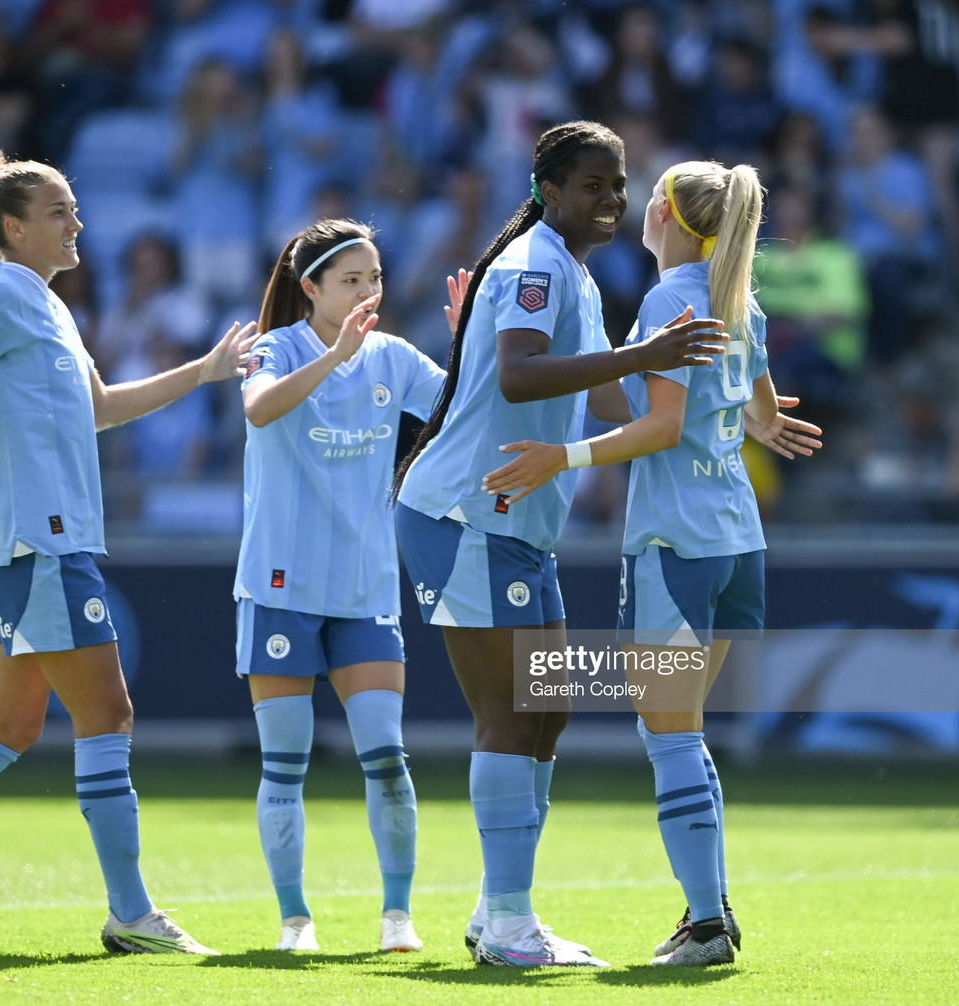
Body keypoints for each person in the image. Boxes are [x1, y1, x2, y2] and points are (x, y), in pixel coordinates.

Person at [0, 149, 258, 956]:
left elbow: (101, 408)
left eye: (74, 207)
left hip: (33, 544)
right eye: (61, 211)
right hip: (41, 542)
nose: (78, 222)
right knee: (107, 714)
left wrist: (205, 371)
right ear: (14, 228)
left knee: (6, 727)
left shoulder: (44, 302)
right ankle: (133, 914)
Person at [390, 119, 730, 968]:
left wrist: (691, 387)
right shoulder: (539, 262)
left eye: (620, 185)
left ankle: (496, 912)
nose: (612, 199)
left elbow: (611, 403)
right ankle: (507, 924)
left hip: (514, 525)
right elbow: (518, 373)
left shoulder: (565, 268)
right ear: (548, 189)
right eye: (593, 185)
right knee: (509, 713)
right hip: (468, 515)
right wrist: (643, 352)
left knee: (549, 708)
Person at [482, 159, 824, 966]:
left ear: (667, 211)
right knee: (683, 733)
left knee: (669, 735)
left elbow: (660, 428)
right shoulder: (742, 296)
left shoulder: (673, 297)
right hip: (738, 540)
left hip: (677, 540)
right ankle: (707, 913)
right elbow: (759, 410)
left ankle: (708, 925)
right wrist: (760, 426)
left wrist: (559, 459)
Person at [236, 218, 447, 953]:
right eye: (352, 279)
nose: (368, 292)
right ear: (312, 289)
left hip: (364, 588)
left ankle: (398, 917)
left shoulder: (394, 356)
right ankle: (296, 920)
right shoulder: (278, 348)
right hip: (280, 586)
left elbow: (464, 411)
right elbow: (260, 408)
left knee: (386, 756)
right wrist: (335, 358)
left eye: (376, 277)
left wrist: (475, 347)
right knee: (285, 766)